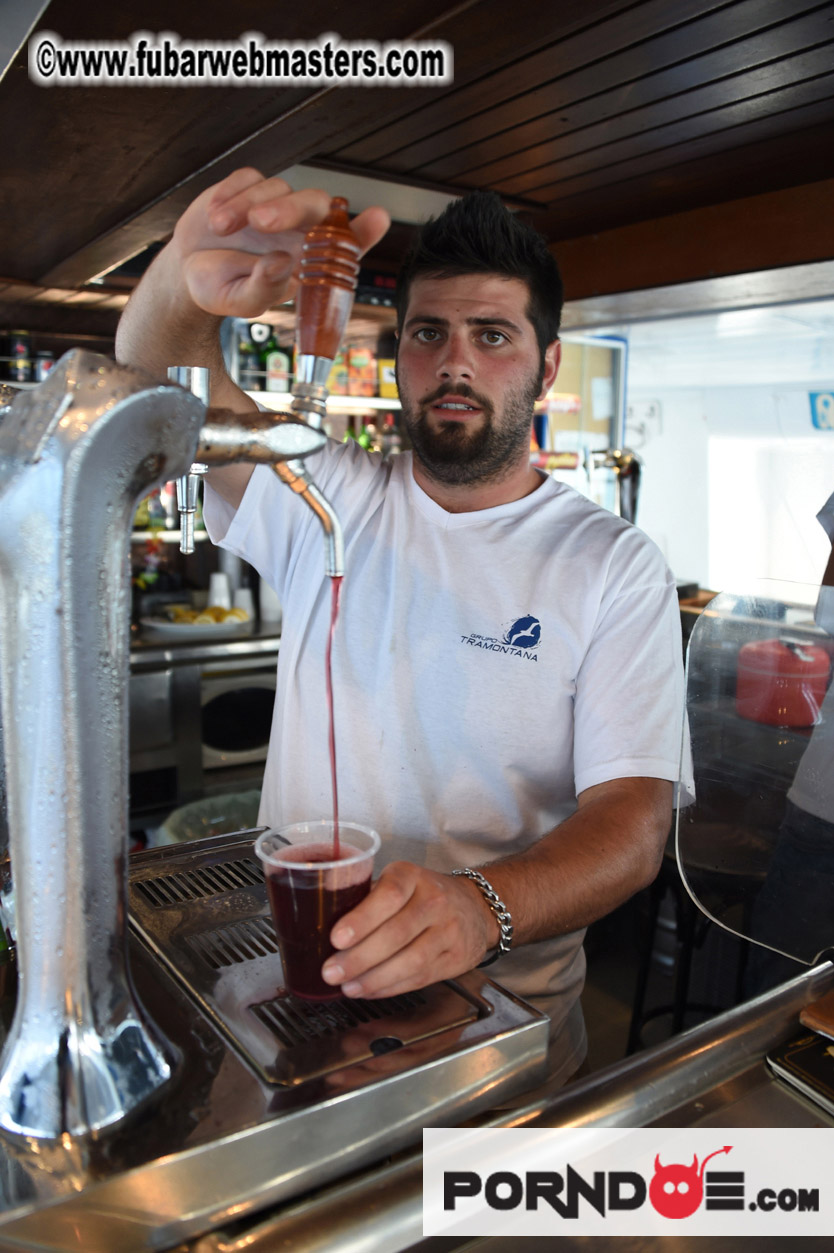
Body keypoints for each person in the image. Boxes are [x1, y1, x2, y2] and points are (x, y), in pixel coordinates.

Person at [117, 168, 690, 1086]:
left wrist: (481, 907)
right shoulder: (325, 493)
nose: (456, 361)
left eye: (492, 335)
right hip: (295, 994)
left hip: (502, 1032)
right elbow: (154, 391)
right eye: (429, 333)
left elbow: (632, 823)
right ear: (398, 357)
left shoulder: (611, 564)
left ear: (546, 366)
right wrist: (178, 277)